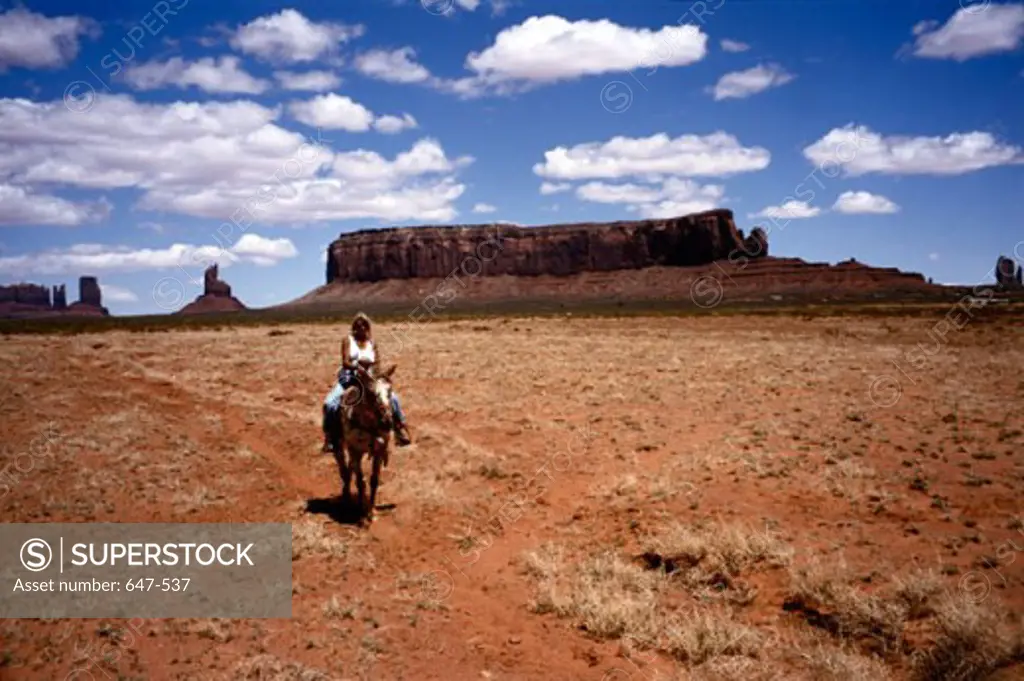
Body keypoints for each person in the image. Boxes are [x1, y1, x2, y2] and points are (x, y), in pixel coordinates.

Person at [322, 312, 412, 451]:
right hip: (350, 378)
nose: (361, 327)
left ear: (368, 326)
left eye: (364, 324)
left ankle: (399, 429)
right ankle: (330, 437)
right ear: (354, 327)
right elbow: (345, 361)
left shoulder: (372, 343)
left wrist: (381, 375)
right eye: (358, 324)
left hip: (369, 380)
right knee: (330, 404)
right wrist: (357, 367)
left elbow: (377, 364)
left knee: (392, 399)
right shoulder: (348, 340)